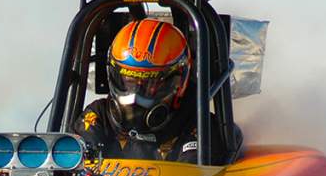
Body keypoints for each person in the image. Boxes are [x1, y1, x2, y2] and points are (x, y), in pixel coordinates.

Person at [75, 18, 235, 163]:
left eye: (149, 83)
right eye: (129, 81)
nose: (135, 95)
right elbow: (71, 170)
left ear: (178, 81)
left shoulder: (200, 125)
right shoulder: (99, 116)